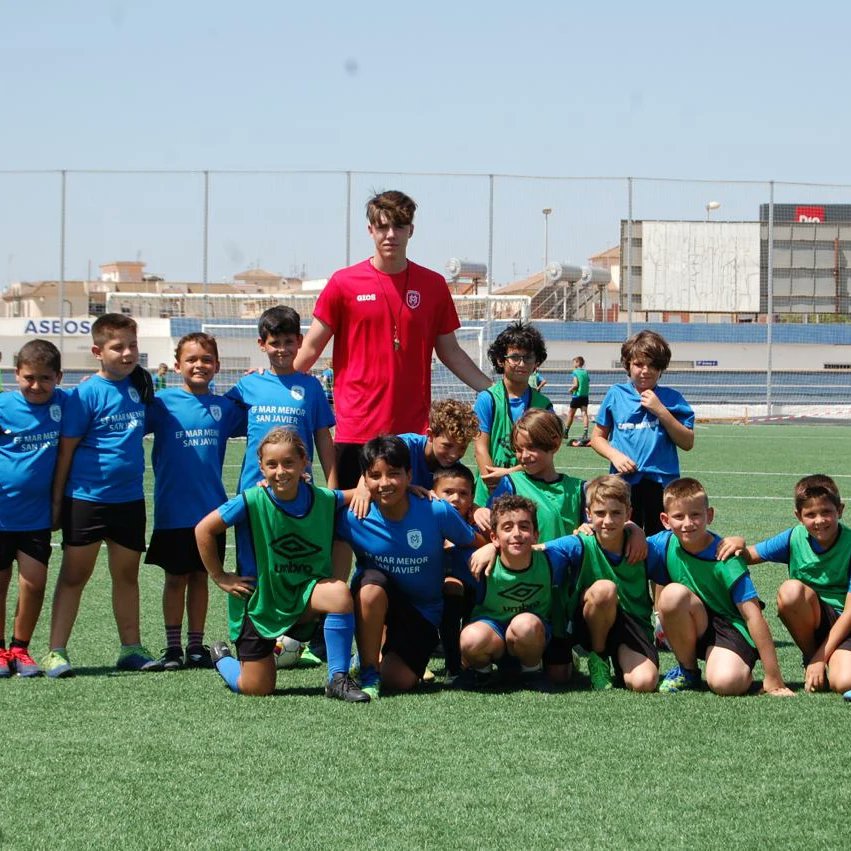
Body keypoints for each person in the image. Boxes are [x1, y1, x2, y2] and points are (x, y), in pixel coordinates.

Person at [293, 189, 491, 489]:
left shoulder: (434, 285)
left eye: (398, 226)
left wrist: (494, 392)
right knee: (351, 515)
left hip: (412, 434)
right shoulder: (343, 283)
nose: (390, 234)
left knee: (415, 515)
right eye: (382, 226)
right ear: (370, 230)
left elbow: (450, 351)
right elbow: (310, 348)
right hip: (356, 431)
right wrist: (275, 380)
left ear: (411, 229)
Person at [196, 428, 368, 701]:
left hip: (303, 596)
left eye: (288, 463)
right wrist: (220, 576)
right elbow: (204, 529)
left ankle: (338, 679)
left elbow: (360, 493)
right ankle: (223, 659)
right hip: (260, 603)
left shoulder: (323, 498)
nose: (280, 471)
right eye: (272, 464)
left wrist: (370, 486)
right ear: (261, 468)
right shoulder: (251, 500)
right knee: (257, 688)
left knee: (338, 592)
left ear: (304, 462)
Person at [45, 314, 158, 677]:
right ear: (98, 352)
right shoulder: (85, 394)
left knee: (126, 576)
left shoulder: (140, 386)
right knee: (74, 576)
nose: (127, 353)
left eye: (132, 346)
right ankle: (56, 651)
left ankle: (131, 648)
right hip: (87, 499)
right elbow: (66, 451)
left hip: (129, 500)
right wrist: (58, 501)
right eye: (118, 347)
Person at [335, 436, 475, 698]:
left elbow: (471, 540)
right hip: (378, 601)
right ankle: (368, 671)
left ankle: (376, 656)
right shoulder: (354, 516)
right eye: (375, 475)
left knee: (399, 681)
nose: (385, 483)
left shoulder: (435, 510)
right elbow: (311, 502)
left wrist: (488, 543)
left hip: (423, 613)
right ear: (364, 479)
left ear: (409, 475)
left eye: (394, 474)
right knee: (371, 583)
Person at [144, 332, 246, 670]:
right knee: (175, 578)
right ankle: (173, 648)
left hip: (212, 512)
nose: (199, 365)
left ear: (217, 365)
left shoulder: (225, 408)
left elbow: (259, 418)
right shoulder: (161, 404)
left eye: (206, 359)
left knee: (202, 577)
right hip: (172, 511)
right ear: (177, 366)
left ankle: (196, 645)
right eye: (191, 359)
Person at [649, 477, 793, 697]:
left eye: (695, 515)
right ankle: (688, 671)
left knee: (727, 684)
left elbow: (753, 616)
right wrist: (627, 530)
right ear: (665, 520)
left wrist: (773, 676)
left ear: (710, 515)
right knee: (671, 595)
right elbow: (623, 541)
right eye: (679, 516)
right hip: (695, 622)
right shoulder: (664, 543)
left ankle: (733, 665)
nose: (688, 523)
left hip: (731, 628)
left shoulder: (726, 556)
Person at [544, 476, 658, 692]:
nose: (608, 520)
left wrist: (636, 529)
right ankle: (599, 657)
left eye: (616, 513)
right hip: (590, 621)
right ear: (588, 514)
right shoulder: (579, 543)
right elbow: (537, 550)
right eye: (600, 513)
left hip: (631, 623)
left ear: (629, 514)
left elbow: (682, 543)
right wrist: (492, 548)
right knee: (605, 589)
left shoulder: (644, 547)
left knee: (644, 683)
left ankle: (622, 657)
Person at [740, 474, 851, 695]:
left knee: (844, 682)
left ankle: (822, 659)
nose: (819, 520)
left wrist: (821, 657)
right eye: (810, 514)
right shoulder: (794, 537)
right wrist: (736, 544)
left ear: (840, 510)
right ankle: (811, 659)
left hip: (846, 624)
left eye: (826, 512)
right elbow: (749, 555)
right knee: (790, 591)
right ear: (798, 516)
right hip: (817, 620)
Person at [0, 340, 66, 677]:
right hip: (2, 515)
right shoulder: (3, 406)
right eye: (29, 378)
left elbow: (96, 395)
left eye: (45, 378)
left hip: (36, 517)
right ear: (16, 374)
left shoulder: (65, 404)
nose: (36, 385)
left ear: (58, 377)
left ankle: (20, 649)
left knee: (34, 583)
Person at [589, 330, 694, 536]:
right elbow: (597, 438)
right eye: (639, 364)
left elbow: (687, 442)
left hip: (662, 483)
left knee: (662, 539)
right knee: (624, 539)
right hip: (624, 483)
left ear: (661, 368)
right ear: (628, 364)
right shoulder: (616, 394)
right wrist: (615, 456)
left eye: (653, 365)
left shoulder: (672, 398)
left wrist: (661, 411)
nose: (645, 371)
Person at [226, 305, 336, 493]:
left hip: (298, 490)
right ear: (262, 344)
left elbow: (323, 438)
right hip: (253, 492)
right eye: (275, 343)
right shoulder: (247, 385)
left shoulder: (311, 386)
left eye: (288, 342)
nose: (282, 349)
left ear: (299, 341)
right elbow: (219, 420)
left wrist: (333, 487)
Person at [473, 322, 552, 505]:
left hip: (529, 493)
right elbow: (480, 448)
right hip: (489, 493)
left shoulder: (543, 405)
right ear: (500, 360)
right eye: (515, 357)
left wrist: (508, 474)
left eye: (528, 358)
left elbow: (544, 455)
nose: (522, 364)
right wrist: (493, 481)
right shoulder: (487, 399)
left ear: (536, 362)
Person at [433, 463, 488, 680]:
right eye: (448, 492)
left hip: (481, 596)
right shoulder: (427, 521)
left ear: (472, 498)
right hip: (437, 594)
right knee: (452, 588)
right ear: (433, 493)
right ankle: (453, 665)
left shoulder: (480, 524)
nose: (456, 498)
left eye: (463, 493)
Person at [564, 355, 590, 445]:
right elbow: (587, 382)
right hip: (585, 396)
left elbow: (576, 385)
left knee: (571, 414)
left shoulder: (575, 372)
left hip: (577, 396)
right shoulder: (585, 372)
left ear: (578, 363)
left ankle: (566, 432)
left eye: (574, 362)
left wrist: (570, 389)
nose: (573, 364)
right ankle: (585, 432)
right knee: (584, 414)